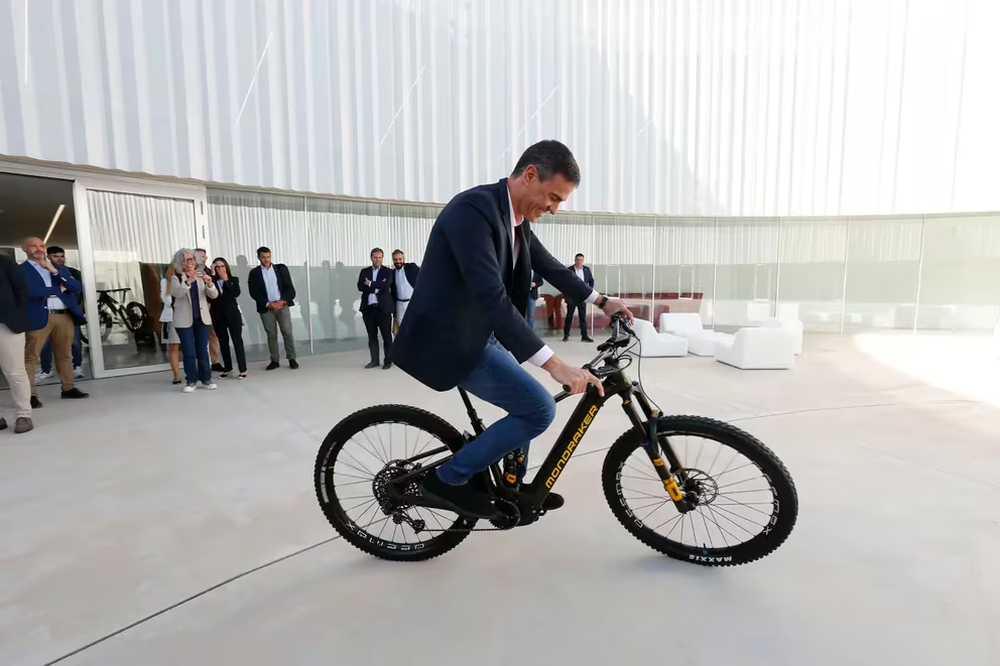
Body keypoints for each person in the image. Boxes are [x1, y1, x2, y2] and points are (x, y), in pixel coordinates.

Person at [393, 140, 633, 518]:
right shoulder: (473, 211)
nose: (554, 209)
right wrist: (554, 364)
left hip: (480, 333)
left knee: (526, 402)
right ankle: (447, 480)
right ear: (530, 175)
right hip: (451, 339)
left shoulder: (515, 218)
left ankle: (513, 488)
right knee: (538, 409)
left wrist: (602, 301)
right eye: (553, 197)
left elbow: (551, 268)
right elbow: (491, 296)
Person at [21, 236, 89, 407]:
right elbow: (27, 292)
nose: (38, 249)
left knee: (64, 355)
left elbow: (77, 287)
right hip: (39, 316)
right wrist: (57, 290)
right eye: (33, 246)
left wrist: (53, 270)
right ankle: (30, 395)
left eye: (41, 245)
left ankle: (68, 388)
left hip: (64, 316)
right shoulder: (20, 270)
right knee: (31, 357)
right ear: (24, 249)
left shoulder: (58, 269)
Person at [170, 248, 219, 393]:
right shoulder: (176, 278)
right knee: (189, 352)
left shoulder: (201, 275)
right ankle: (191, 380)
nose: (189, 262)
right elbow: (178, 293)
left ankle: (206, 379)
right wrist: (189, 280)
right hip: (184, 320)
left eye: (191, 259)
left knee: (202, 351)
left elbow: (214, 295)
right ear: (180, 263)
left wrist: (209, 284)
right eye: (185, 260)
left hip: (202, 319)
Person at [36, 246, 84, 380]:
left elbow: (78, 288)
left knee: (75, 342)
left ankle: (77, 367)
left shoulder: (70, 272)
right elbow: (37, 291)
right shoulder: (40, 272)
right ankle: (46, 370)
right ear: (48, 257)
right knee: (45, 344)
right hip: (46, 313)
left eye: (62, 256)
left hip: (68, 312)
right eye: (55, 256)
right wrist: (57, 290)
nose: (60, 259)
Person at [247, 246, 299, 371]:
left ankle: (292, 358)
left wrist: (282, 301)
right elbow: (254, 292)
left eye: (268, 257)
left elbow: (290, 288)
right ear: (258, 257)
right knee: (271, 334)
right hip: (266, 308)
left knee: (287, 332)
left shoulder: (281, 269)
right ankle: (274, 360)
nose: (266, 260)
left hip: (282, 305)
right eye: (263, 257)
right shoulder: (254, 273)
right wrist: (266, 303)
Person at [0, 252, 33, 433]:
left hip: (6, 325)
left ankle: (24, 415)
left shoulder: (4, 262)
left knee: (14, 372)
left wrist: (13, 315)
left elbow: (22, 291)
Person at [209, 257, 247, 379]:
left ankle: (242, 369)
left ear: (226, 267)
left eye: (222, 266)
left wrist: (226, 280)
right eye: (217, 267)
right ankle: (228, 367)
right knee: (223, 342)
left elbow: (236, 293)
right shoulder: (212, 280)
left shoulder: (233, 279)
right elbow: (210, 296)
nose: (220, 269)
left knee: (237, 340)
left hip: (232, 314)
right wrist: (212, 276)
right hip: (217, 314)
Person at [358, 248, 394, 369]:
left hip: (383, 309)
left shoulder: (388, 272)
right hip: (368, 309)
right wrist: (377, 285)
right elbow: (360, 286)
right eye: (375, 257)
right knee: (372, 336)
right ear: (371, 258)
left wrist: (370, 283)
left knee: (386, 336)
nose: (377, 260)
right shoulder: (364, 271)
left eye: (380, 257)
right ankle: (374, 361)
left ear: (382, 258)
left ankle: (388, 361)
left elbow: (385, 285)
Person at [195, 248, 223, 370]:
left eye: (204, 257)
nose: (203, 259)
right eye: (200, 256)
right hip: (196, 307)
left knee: (213, 335)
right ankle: (199, 364)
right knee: (198, 337)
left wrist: (212, 274)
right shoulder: (190, 272)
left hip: (209, 307)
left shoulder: (208, 271)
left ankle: (215, 361)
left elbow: (215, 289)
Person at [562, 253, 595, 342]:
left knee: (582, 317)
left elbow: (591, 281)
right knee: (569, 317)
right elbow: (564, 283)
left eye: (581, 260)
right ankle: (566, 335)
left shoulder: (586, 269)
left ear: (583, 261)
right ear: (575, 260)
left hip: (582, 296)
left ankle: (584, 336)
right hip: (572, 297)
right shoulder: (569, 270)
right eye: (577, 260)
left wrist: (589, 291)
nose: (579, 262)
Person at [159, 265, 182, 384]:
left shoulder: (185, 279)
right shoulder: (165, 282)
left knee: (192, 346)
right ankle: (176, 375)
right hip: (171, 317)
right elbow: (166, 300)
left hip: (185, 316)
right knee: (174, 347)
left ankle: (197, 372)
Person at [390, 249, 420, 335]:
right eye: (395, 259)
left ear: (404, 259)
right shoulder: (392, 273)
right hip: (399, 304)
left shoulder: (411, 267)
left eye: (400, 259)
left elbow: (424, 275)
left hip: (412, 302)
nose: (398, 261)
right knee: (401, 329)